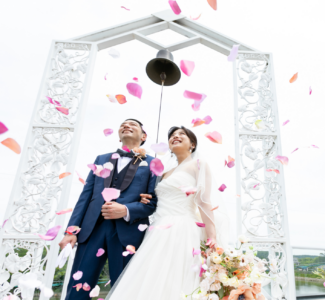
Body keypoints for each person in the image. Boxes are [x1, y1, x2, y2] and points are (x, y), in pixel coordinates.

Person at [105, 126, 229, 300]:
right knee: (151, 279)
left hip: (182, 228)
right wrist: (147, 199)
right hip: (157, 229)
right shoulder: (164, 173)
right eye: (172, 135)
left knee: (177, 279)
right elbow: (158, 199)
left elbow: (204, 201)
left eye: (181, 135)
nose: (175, 137)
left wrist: (212, 236)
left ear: (192, 144)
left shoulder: (198, 164)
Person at [59, 119, 158, 300]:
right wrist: (70, 230)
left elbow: (152, 203)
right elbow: (85, 196)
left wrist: (126, 209)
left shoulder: (153, 163)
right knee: (77, 290)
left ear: (144, 136)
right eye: (123, 124)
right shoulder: (101, 159)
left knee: (125, 290)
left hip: (128, 232)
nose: (126, 126)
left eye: (133, 125)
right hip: (92, 230)